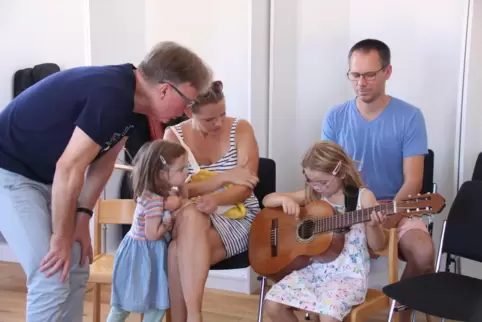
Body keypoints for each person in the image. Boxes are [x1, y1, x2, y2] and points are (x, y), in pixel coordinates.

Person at [0, 41, 212, 322]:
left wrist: (81, 220)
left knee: (75, 264)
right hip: (10, 170)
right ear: (164, 89)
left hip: (47, 177)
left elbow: (104, 162)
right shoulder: (111, 94)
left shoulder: (133, 103)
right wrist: (61, 237)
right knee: (51, 272)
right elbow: (69, 167)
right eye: (187, 102)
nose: (186, 112)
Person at [321, 38, 433, 322]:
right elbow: (328, 178)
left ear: (387, 72)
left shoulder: (410, 117)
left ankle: (400, 314)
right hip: (349, 209)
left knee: (423, 254)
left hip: (396, 207)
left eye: (370, 74)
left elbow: (413, 182)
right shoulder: (335, 117)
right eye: (355, 75)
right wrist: (354, 217)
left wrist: (389, 215)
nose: (361, 82)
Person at [163, 80, 261, 322]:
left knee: (177, 250)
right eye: (208, 120)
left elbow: (244, 189)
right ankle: (195, 317)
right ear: (188, 112)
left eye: (222, 114)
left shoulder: (242, 129)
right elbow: (173, 191)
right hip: (192, 216)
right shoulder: (173, 136)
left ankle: (187, 318)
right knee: (191, 216)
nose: (218, 123)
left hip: (238, 215)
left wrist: (212, 198)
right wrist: (222, 179)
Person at [263, 140, 387, 322]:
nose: (317, 187)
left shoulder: (363, 198)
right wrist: (284, 200)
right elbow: (267, 200)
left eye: (323, 182)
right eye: (310, 180)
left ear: (342, 172)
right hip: (313, 271)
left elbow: (378, 245)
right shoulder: (314, 195)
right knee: (272, 304)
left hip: (349, 277)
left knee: (328, 316)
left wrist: (373, 226)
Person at [106, 140, 189, 322]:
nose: (187, 172)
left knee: (126, 304)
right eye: (182, 169)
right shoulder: (154, 200)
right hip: (145, 254)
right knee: (152, 305)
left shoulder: (159, 193)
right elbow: (153, 234)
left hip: (142, 252)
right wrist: (168, 221)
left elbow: (184, 197)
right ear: (162, 174)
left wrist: (180, 190)